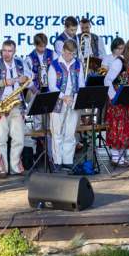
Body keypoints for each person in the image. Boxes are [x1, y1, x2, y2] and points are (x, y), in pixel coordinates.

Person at [0, 40, 30, 177]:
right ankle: (2, 168)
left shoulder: (20, 64)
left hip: (18, 104)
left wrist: (25, 79)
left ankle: (16, 167)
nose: (7, 53)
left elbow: (30, 81)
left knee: (19, 138)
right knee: (1, 138)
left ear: (15, 52)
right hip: (1, 104)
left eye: (9, 51)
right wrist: (4, 82)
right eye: (4, 50)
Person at [47, 39, 86, 170]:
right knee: (57, 133)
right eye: (69, 54)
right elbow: (52, 86)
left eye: (73, 54)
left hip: (73, 101)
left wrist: (77, 97)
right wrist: (63, 96)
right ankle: (57, 161)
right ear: (63, 50)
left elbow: (81, 83)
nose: (71, 57)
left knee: (70, 133)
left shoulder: (78, 64)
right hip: (57, 102)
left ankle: (67, 161)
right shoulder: (53, 65)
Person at [104, 38, 129, 167]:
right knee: (117, 127)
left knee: (124, 128)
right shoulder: (119, 62)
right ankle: (115, 157)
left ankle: (120, 156)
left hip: (126, 98)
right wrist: (114, 97)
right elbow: (107, 80)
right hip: (117, 99)